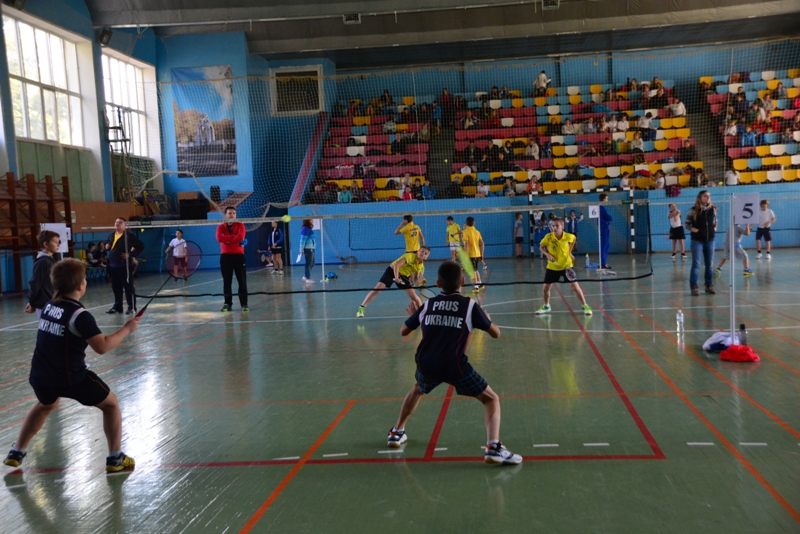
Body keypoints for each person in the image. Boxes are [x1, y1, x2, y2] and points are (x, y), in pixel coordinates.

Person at [3, 259, 139, 472]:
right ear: (81, 285)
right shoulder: (80, 315)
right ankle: (115, 458)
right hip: (70, 378)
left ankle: (17, 451)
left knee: (46, 405)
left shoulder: (49, 306)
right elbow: (102, 346)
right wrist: (127, 329)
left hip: (40, 376)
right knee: (111, 404)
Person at [385, 260, 521, 465]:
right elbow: (496, 333)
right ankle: (493, 447)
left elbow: (403, 331)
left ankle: (396, 433)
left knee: (417, 389)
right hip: (454, 364)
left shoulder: (428, 305)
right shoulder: (470, 306)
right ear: (463, 281)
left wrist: (416, 316)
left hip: (426, 363)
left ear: (438, 284)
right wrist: (486, 319)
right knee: (491, 399)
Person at [534, 217, 593, 316]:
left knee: (575, 286)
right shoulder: (548, 237)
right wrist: (547, 254)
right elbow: (541, 247)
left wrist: (569, 252)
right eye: (553, 226)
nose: (554, 228)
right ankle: (547, 306)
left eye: (557, 226)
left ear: (562, 226)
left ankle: (585, 306)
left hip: (566, 266)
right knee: (545, 288)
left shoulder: (568, 236)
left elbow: (574, 239)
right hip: (553, 267)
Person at [356, 246, 430, 318]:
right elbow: (396, 265)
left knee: (415, 298)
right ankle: (361, 308)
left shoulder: (420, 266)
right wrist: (396, 277)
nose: (423, 254)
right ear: (417, 252)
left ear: (426, 258)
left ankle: (422, 315)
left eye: (425, 253)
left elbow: (416, 278)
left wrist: (418, 281)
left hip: (403, 277)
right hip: (392, 271)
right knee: (377, 289)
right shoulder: (410, 256)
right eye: (422, 251)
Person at [105, 218, 145, 315]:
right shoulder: (112, 235)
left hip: (124, 265)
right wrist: (107, 246)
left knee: (128, 287)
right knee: (116, 287)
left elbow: (141, 246)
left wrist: (130, 255)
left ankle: (132, 307)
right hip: (113, 265)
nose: (117, 224)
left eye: (120, 222)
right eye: (116, 222)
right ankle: (118, 306)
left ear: (125, 225)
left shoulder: (129, 236)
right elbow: (109, 245)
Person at [685, 190, 718, 296]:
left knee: (710, 264)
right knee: (696, 264)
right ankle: (693, 287)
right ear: (700, 198)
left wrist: (714, 229)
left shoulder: (713, 209)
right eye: (705, 196)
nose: (708, 198)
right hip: (697, 240)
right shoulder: (693, 210)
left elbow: (715, 222)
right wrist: (693, 229)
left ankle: (709, 285)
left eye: (709, 196)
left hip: (710, 240)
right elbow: (686, 224)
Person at [216, 206, 248, 312]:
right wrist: (234, 238)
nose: (232, 215)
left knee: (242, 281)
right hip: (225, 257)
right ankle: (227, 303)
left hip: (239, 256)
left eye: (234, 213)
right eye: (230, 213)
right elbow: (219, 238)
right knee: (227, 281)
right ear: (225, 215)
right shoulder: (220, 227)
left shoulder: (241, 225)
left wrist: (227, 240)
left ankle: (244, 304)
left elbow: (241, 237)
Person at [26, 230, 60, 318]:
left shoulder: (50, 260)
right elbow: (35, 283)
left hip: (52, 303)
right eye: (55, 242)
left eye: (58, 242)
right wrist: (32, 302)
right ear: (45, 244)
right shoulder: (43, 262)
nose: (58, 245)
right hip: (44, 305)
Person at [462, 216, 486, 292]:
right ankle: (480, 284)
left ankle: (476, 287)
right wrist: (482, 254)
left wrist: (465, 255)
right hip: (477, 253)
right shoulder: (477, 232)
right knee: (476, 270)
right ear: (474, 223)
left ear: (466, 223)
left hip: (471, 254)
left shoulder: (466, 232)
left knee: (473, 271)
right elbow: (482, 243)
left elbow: (467, 244)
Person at [299, 219, 316, 284]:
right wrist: (301, 250)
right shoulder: (305, 229)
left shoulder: (309, 229)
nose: (313, 221)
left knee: (312, 263)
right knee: (308, 264)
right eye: (312, 220)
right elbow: (302, 241)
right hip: (308, 249)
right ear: (309, 221)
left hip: (312, 248)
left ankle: (305, 275)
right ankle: (307, 278)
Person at [599, 194, 612, 269]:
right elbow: (609, 217)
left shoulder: (602, 207)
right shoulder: (602, 207)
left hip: (605, 228)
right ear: (603, 199)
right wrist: (610, 217)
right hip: (604, 229)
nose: (607, 200)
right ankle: (602, 263)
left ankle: (604, 262)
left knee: (606, 246)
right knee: (604, 246)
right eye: (607, 198)